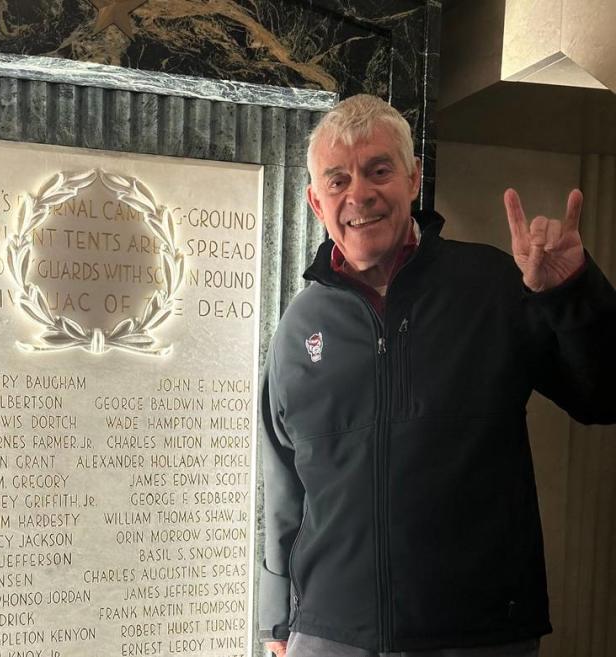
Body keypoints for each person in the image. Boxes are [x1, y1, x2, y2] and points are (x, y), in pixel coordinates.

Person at [259, 94, 616, 657]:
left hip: (477, 632)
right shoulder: (299, 324)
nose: (359, 194)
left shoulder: (494, 284)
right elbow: (283, 478)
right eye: (337, 180)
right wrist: (278, 622)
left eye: (379, 170)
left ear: (413, 178)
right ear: (314, 201)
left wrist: (572, 296)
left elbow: (604, 396)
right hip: (330, 634)